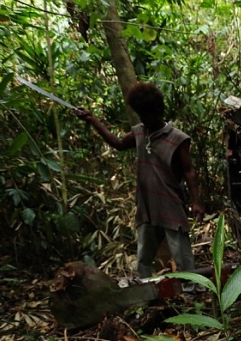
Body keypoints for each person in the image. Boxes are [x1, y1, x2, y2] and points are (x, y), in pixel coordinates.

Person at [75, 82, 204, 278]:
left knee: (181, 253)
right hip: (147, 203)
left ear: (157, 112)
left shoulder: (178, 139)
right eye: (140, 114)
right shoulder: (139, 132)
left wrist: (196, 202)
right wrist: (93, 120)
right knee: (144, 254)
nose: (143, 119)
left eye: (146, 114)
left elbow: (189, 171)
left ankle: (191, 288)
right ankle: (145, 288)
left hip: (170, 203)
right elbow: (117, 143)